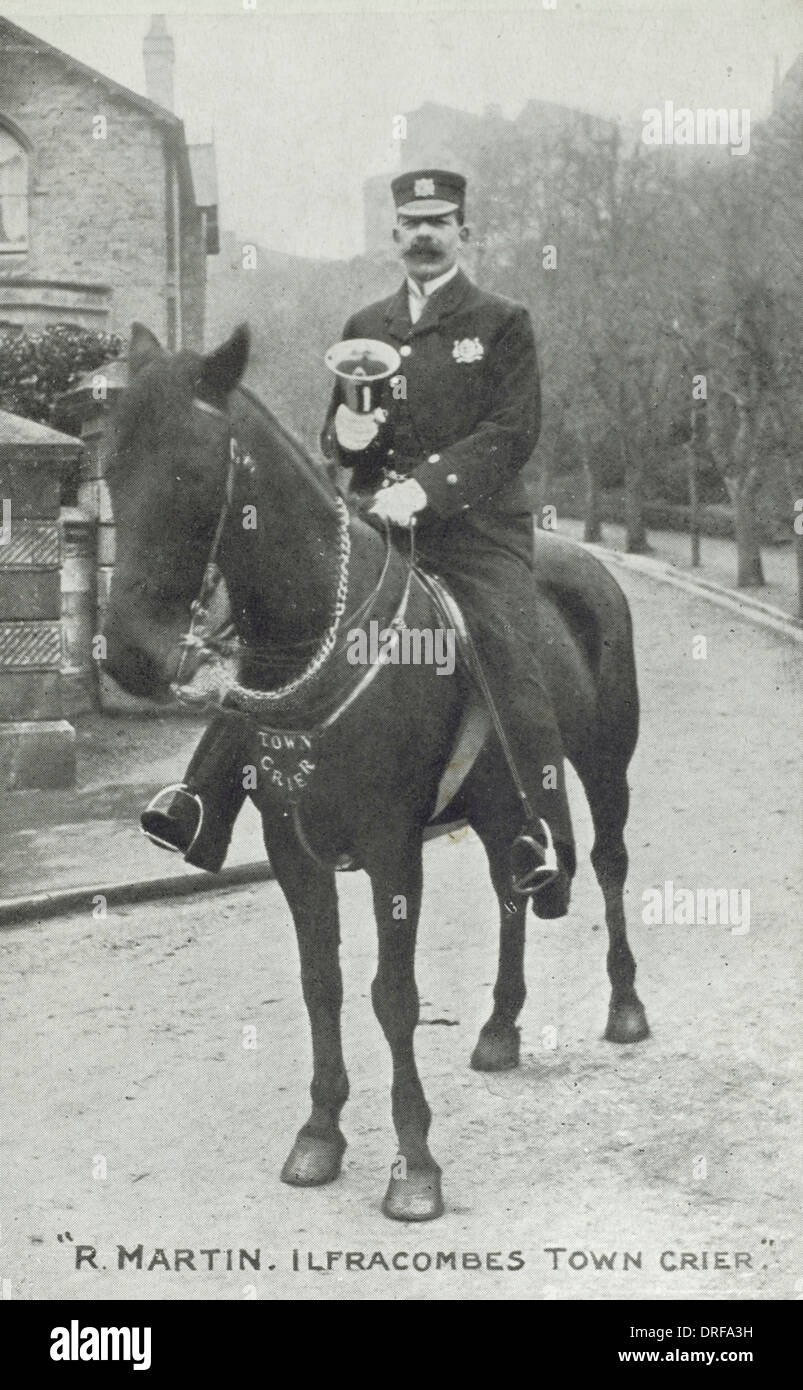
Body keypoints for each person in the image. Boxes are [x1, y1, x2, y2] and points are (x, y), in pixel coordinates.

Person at [142, 169, 575, 913]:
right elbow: (336, 439)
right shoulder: (364, 328)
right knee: (277, 632)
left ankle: (544, 836)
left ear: (462, 233)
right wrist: (346, 437)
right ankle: (201, 800)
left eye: (439, 222)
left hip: (473, 535)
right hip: (377, 525)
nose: (424, 235)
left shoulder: (501, 322)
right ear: (394, 235)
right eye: (411, 223)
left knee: (506, 647)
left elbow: (510, 433)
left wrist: (427, 490)